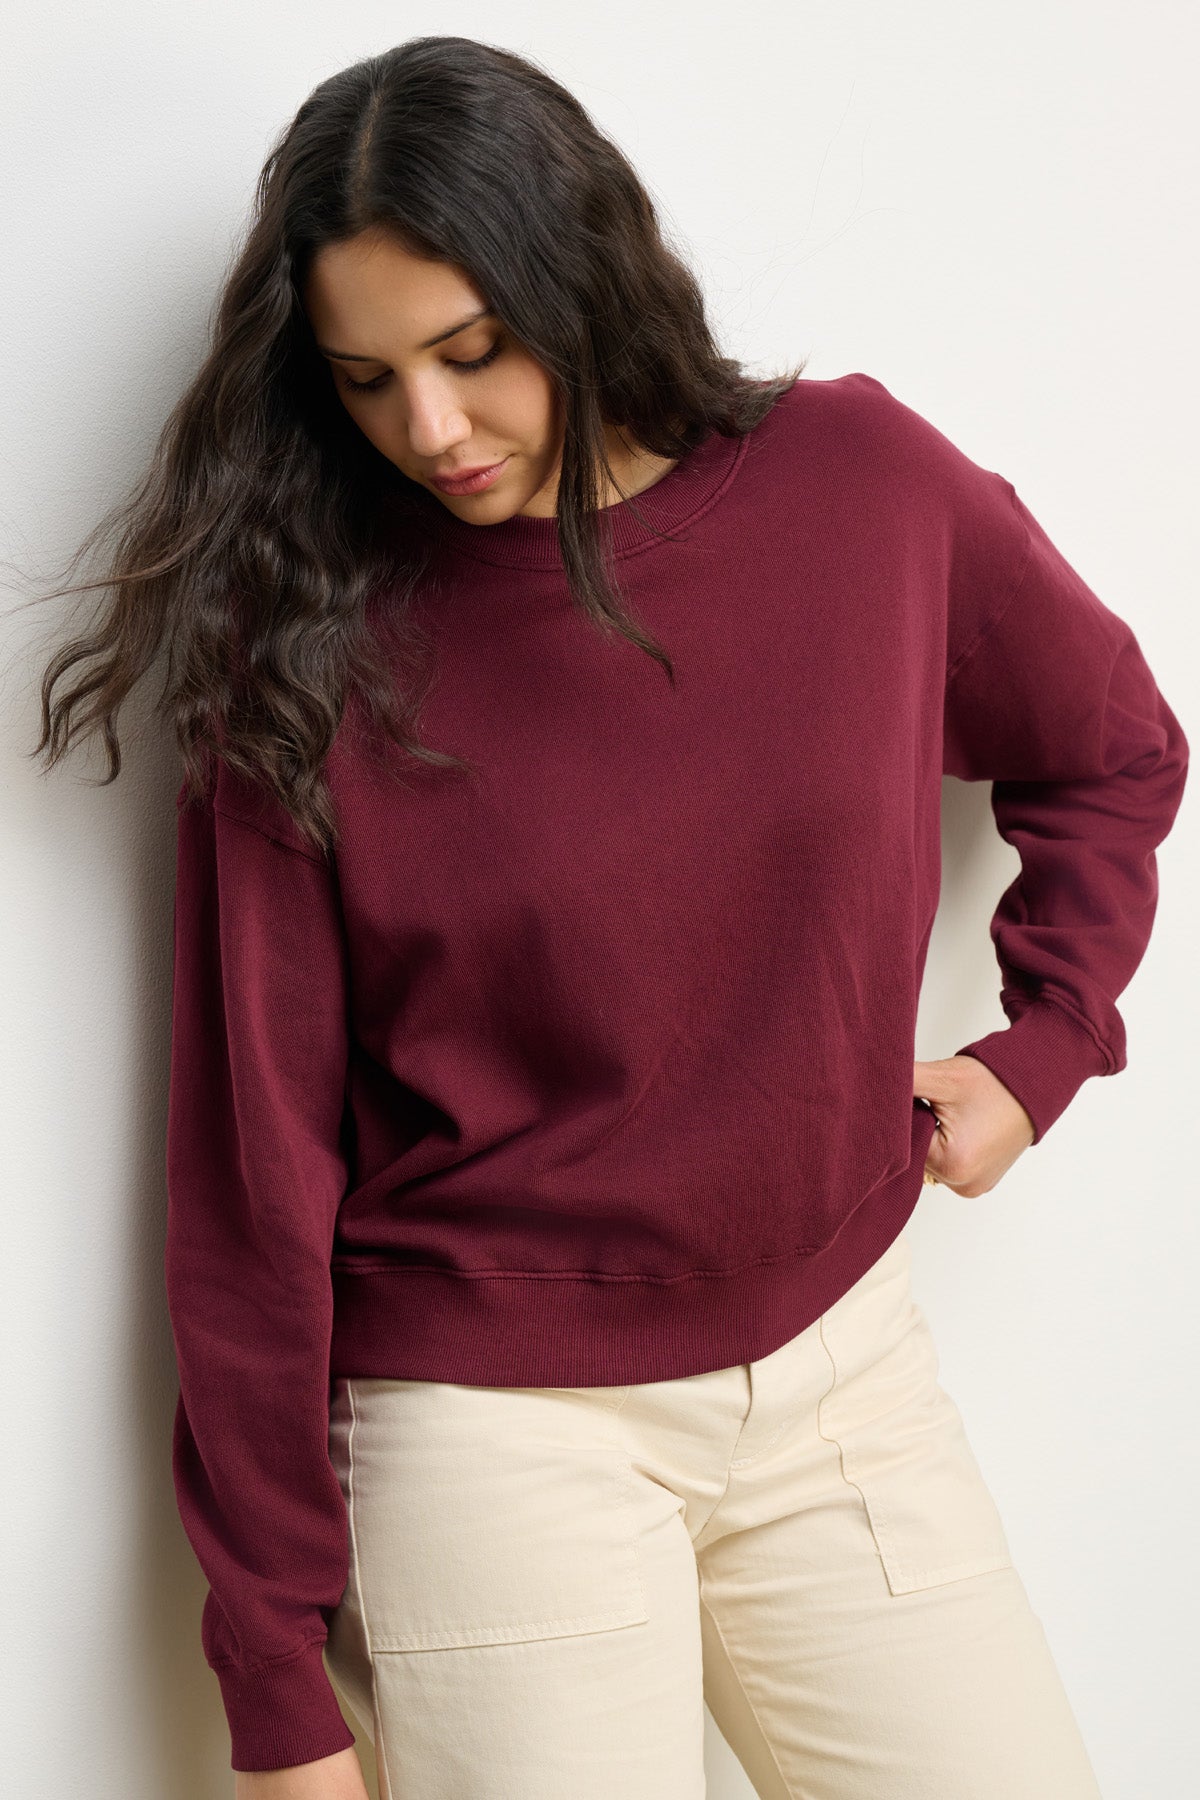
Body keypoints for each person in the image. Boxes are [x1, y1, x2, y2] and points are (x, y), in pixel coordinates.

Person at [32, 34, 1188, 1800]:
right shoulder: (313, 647)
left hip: (848, 1376)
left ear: (582, 276)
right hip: (497, 1445)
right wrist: (272, 1671)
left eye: (473, 354)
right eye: (365, 379)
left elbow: (1110, 746)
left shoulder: (862, 488)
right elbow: (254, 1176)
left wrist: (1047, 1043)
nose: (430, 429)